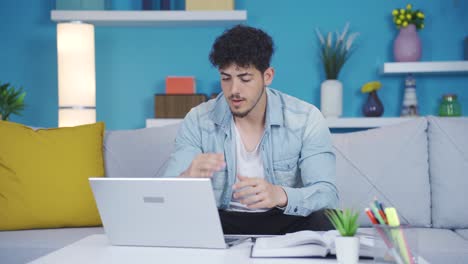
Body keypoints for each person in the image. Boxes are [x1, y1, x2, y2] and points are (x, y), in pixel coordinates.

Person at [163, 24, 338, 235]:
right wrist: (187, 177)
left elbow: (327, 194)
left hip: (284, 220)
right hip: (220, 221)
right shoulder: (198, 120)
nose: (234, 90)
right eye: (225, 78)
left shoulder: (306, 118)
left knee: (326, 219)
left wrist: (279, 194)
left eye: (245, 79)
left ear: (267, 76)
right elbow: (165, 196)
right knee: (174, 223)